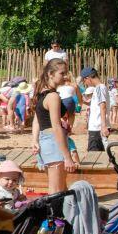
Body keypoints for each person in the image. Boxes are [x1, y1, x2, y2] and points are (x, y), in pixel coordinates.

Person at [33, 59, 77, 194]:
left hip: (45, 141)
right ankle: (53, 215)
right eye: (62, 73)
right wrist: (68, 157)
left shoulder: (42, 93)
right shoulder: (53, 97)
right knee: (57, 191)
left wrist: (35, 140)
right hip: (53, 143)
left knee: (61, 189)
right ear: (51, 74)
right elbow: (56, 127)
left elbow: (37, 119)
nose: (65, 76)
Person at [80, 67, 109, 152]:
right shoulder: (99, 88)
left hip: (97, 128)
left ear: (88, 78)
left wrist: (103, 126)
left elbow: (102, 106)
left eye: (84, 81)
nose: (85, 83)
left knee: (93, 155)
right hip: (97, 127)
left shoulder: (99, 88)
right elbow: (97, 105)